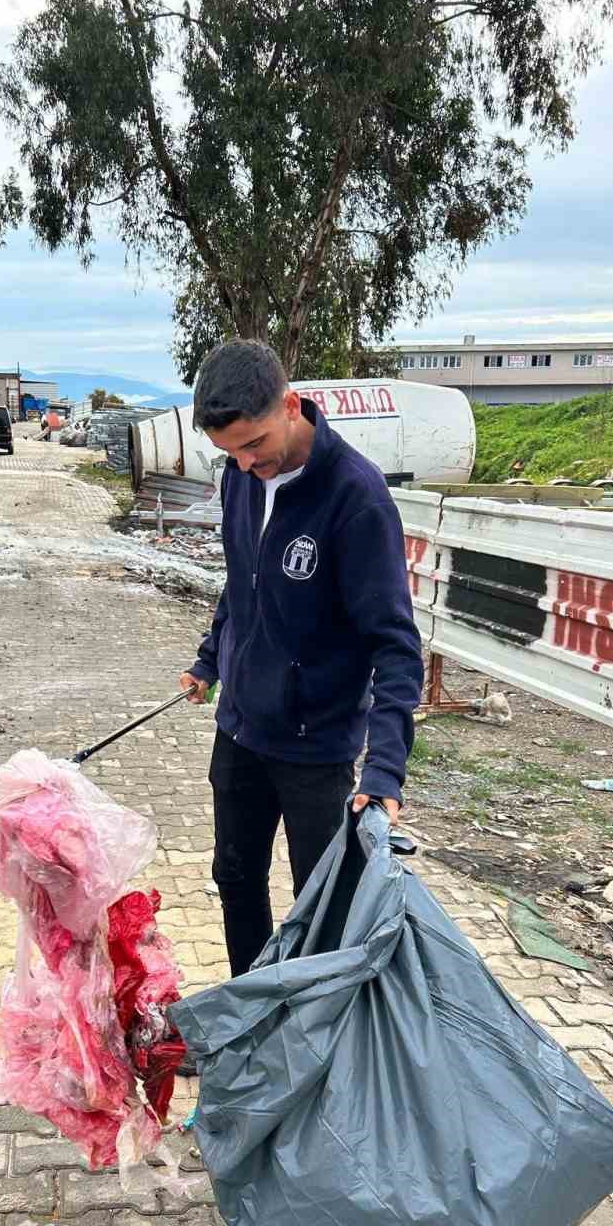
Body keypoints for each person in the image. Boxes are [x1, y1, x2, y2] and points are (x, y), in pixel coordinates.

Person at [179, 339, 423, 978]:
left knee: (321, 907)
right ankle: (250, 1011)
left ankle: (312, 1042)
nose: (245, 462)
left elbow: (395, 644)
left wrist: (386, 771)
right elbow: (243, 582)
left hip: (316, 744)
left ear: (291, 406)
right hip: (240, 728)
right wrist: (211, 659)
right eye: (229, 451)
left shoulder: (355, 497)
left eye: (254, 443)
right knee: (235, 877)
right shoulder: (239, 477)